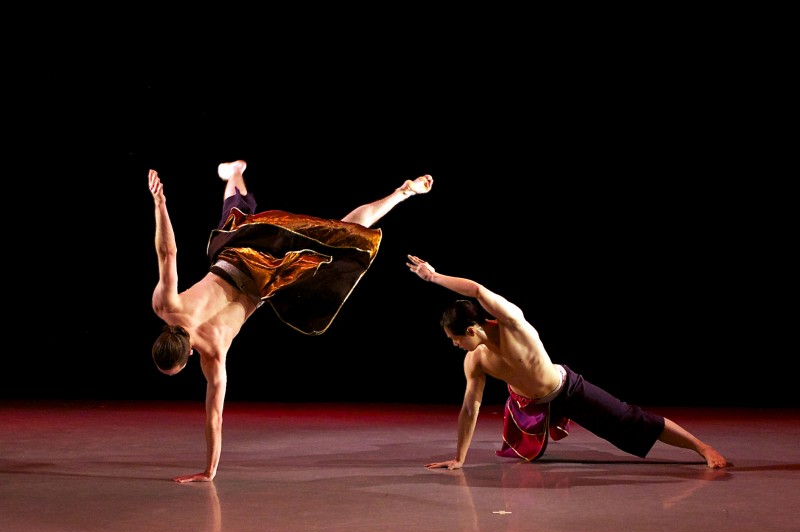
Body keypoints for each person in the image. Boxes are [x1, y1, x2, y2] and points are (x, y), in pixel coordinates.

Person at [148, 161, 433, 482]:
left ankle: (400, 194)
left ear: (188, 354)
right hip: (240, 249)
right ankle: (235, 173)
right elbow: (168, 252)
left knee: (344, 235)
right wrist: (160, 203)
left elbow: (214, 418)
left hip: (270, 277)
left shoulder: (213, 355)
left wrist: (209, 471)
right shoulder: (167, 306)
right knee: (234, 214)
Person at [405, 254, 728, 470]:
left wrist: (433, 277)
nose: (454, 345)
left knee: (630, 420)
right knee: (527, 457)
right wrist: (459, 458)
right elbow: (470, 408)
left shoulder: (512, 324)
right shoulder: (475, 361)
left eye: (455, 338)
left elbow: (477, 290)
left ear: (472, 330)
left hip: (566, 389)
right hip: (528, 406)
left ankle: (702, 448)